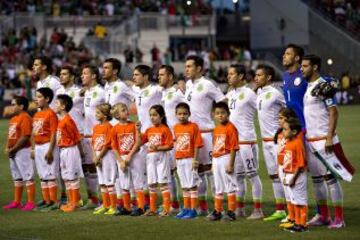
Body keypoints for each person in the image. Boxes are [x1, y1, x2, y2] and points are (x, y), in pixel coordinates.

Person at [301, 54, 348, 229]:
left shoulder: (324, 86)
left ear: (314, 67)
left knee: (331, 179)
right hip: (311, 141)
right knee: (317, 180)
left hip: (323, 140)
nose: (302, 68)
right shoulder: (309, 86)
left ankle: (339, 219)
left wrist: (329, 137)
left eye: (305, 66)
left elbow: (333, 112)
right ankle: (323, 216)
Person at [184, 55, 226, 215]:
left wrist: (223, 122)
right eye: (186, 66)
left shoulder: (208, 84)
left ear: (199, 68)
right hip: (191, 135)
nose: (186, 69)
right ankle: (202, 208)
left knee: (212, 172)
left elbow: (223, 101)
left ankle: (218, 208)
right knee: (198, 172)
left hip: (207, 134)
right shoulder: (188, 84)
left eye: (189, 66)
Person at [226, 64, 263, 219]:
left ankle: (258, 210)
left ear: (241, 76)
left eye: (232, 74)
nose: (228, 76)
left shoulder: (249, 93)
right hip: (235, 143)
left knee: (253, 175)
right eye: (228, 74)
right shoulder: (229, 93)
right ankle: (239, 209)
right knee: (238, 176)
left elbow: (261, 110)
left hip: (247, 141)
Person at [255, 65, 287, 221]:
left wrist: (285, 129)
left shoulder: (275, 93)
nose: (256, 78)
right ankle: (280, 210)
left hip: (277, 141)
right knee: (274, 176)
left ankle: (293, 209)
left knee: (284, 175)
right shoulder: (259, 92)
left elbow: (289, 109)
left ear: (268, 78)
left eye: (259, 75)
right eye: (256, 75)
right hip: (265, 142)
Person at [137, 105, 173, 217]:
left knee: (163, 183)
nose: (152, 117)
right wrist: (138, 130)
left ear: (161, 116)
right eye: (151, 115)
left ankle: (166, 209)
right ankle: (152, 209)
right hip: (150, 158)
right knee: (152, 183)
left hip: (162, 157)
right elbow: (140, 142)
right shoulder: (149, 130)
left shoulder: (165, 129)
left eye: (155, 115)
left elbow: (170, 145)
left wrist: (158, 148)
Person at [56, 65, 84, 203]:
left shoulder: (80, 92)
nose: (61, 76)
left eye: (65, 74)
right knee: (66, 174)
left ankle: (92, 198)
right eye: (60, 74)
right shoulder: (59, 92)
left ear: (72, 76)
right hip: (64, 141)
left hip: (78, 138)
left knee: (86, 170)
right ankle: (72, 200)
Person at [111, 103, 145, 217]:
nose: (126, 111)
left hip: (134, 156)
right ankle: (127, 207)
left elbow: (138, 142)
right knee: (124, 182)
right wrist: (120, 161)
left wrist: (130, 156)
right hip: (121, 157)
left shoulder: (134, 125)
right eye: (123, 110)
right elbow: (114, 147)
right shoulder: (115, 129)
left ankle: (141, 207)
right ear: (117, 116)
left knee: (137, 181)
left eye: (126, 109)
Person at [158, 65, 184, 213]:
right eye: (158, 75)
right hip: (168, 140)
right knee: (170, 172)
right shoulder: (162, 92)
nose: (159, 77)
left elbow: (187, 111)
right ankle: (174, 205)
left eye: (162, 75)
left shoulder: (177, 92)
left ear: (170, 77)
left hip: (178, 140)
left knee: (183, 172)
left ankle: (195, 205)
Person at [207, 102, 239, 221]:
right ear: (213, 115)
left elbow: (234, 147)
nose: (220, 115)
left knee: (230, 186)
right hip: (216, 159)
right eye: (217, 113)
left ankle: (231, 212)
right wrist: (213, 163)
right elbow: (215, 146)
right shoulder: (216, 129)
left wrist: (230, 164)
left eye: (223, 113)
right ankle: (218, 211)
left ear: (228, 114)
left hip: (226, 158)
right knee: (218, 186)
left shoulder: (231, 128)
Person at [3, 96, 35, 211]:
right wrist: (8, 147)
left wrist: (14, 149)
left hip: (23, 151)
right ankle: (17, 201)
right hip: (14, 151)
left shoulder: (25, 117)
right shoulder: (13, 119)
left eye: (13, 104)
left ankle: (31, 202)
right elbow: (10, 135)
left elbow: (26, 136)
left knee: (27, 176)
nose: (11, 107)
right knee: (17, 177)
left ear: (21, 106)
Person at [81, 65, 105, 209]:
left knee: (101, 168)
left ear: (94, 76)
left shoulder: (101, 92)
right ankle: (94, 199)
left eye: (85, 73)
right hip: (87, 134)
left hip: (98, 136)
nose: (82, 76)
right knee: (88, 168)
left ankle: (107, 200)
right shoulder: (86, 92)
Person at [173, 102, 203, 219]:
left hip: (190, 159)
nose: (182, 116)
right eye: (179, 114)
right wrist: (175, 160)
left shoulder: (193, 127)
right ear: (176, 115)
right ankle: (186, 208)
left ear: (189, 114)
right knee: (184, 185)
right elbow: (176, 144)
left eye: (185, 113)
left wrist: (195, 159)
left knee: (192, 185)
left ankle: (193, 209)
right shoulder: (175, 127)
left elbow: (197, 144)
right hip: (180, 159)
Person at [32, 88, 59, 211]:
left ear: (47, 99)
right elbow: (34, 133)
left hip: (48, 145)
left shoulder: (51, 114)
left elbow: (54, 133)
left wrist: (50, 150)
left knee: (50, 174)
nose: (36, 99)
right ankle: (47, 200)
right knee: (42, 175)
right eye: (36, 96)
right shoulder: (37, 114)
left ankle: (54, 201)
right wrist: (33, 148)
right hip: (38, 147)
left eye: (39, 97)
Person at [280, 117, 308, 232]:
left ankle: (303, 225)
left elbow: (301, 165)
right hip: (290, 175)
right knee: (295, 200)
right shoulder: (288, 143)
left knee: (300, 201)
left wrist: (293, 179)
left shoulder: (297, 144)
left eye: (286, 129)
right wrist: (286, 176)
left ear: (294, 131)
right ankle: (297, 223)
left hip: (297, 177)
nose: (283, 131)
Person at [91, 103, 117, 215]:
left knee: (109, 181)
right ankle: (106, 205)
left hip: (107, 156)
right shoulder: (96, 127)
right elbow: (93, 143)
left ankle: (114, 206)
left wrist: (99, 156)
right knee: (102, 181)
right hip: (98, 156)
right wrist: (94, 156)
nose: (96, 114)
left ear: (105, 115)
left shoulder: (109, 127)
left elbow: (107, 144)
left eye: (98, 112)